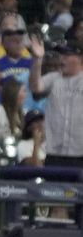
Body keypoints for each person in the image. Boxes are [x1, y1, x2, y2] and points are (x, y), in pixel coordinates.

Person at [29, 39, 83, 167]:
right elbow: (35, 86)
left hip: (80, 153)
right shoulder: (54, 78)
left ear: (80, 58)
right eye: (61, 55)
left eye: (67, 55)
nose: (62, 59)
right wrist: (37, 60)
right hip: (54, 153)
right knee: (51, 187)